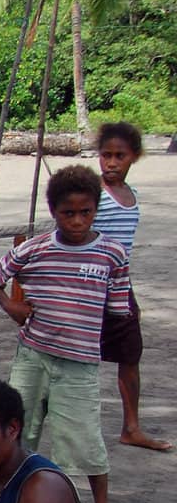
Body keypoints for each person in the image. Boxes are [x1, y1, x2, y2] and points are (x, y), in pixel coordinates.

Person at [0, 165, 131, 503]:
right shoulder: (37, 248)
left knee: (84, 439)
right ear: (54, 212)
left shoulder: (111, 254)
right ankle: (10, 502)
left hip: (79, 364)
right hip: (32, 356)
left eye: (86, 212)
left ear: (96, 210)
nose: (78, 220)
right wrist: (12, 307)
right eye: (68, 213)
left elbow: (118, 311)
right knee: (18, 431)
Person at [94, 122, 166, 451]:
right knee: (69, 357)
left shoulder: (131, 196)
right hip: (88, 285)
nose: (110, 162)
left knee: (130, 353)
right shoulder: (92, 193)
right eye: (105, 155)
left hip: (121, 286)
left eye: (118, 156)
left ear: (133, 157)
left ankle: (131, 427)